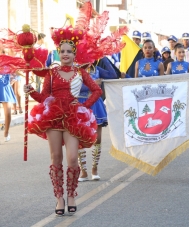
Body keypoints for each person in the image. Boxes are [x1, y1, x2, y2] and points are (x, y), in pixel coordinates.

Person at [23, 26, 102, 216]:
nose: (65, 54)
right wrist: (31, 91)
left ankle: (72, 195)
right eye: (62, 51)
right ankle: (59, 198)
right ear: (58, 53)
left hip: (74, 116)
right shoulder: (51, 73)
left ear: (74, 54)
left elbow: (97, 91)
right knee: (56, 158)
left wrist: (85, 106)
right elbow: (44, 98)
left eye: (69, 51)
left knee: (73, 158)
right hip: (53, 118)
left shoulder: (81, 73)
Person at [78, 57, 118, 181]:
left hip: (95, 103)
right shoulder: (76, 71)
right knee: (80, 137)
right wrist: (92, 84)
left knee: (97, 139)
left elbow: (113, 75)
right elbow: (74, 87)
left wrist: (104, 57)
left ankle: (94, 169)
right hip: (80, 103)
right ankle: (83, 171)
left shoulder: (97, 69)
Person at [0, 47, 17, 142]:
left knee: (8, 113)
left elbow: (15, 75)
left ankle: (6, 132)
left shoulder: (9, 63)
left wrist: (10, 82)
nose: (2, 53)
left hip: (5, 88)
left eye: (3, 51)